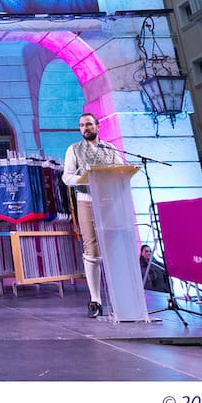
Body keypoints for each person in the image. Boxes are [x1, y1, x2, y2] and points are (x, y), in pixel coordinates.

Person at [61, 112, 121, 317]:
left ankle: (119, 295)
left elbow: (122, 169)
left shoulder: (110, 148)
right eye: (81, 125)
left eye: (88, 124)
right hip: (86, 200)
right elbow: (66, 176)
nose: (85, 128)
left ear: (98, 126)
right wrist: (84, 178)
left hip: (109, 200)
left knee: (114, 245)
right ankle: (95, 299)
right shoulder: (74, 150)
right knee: (91, 246)